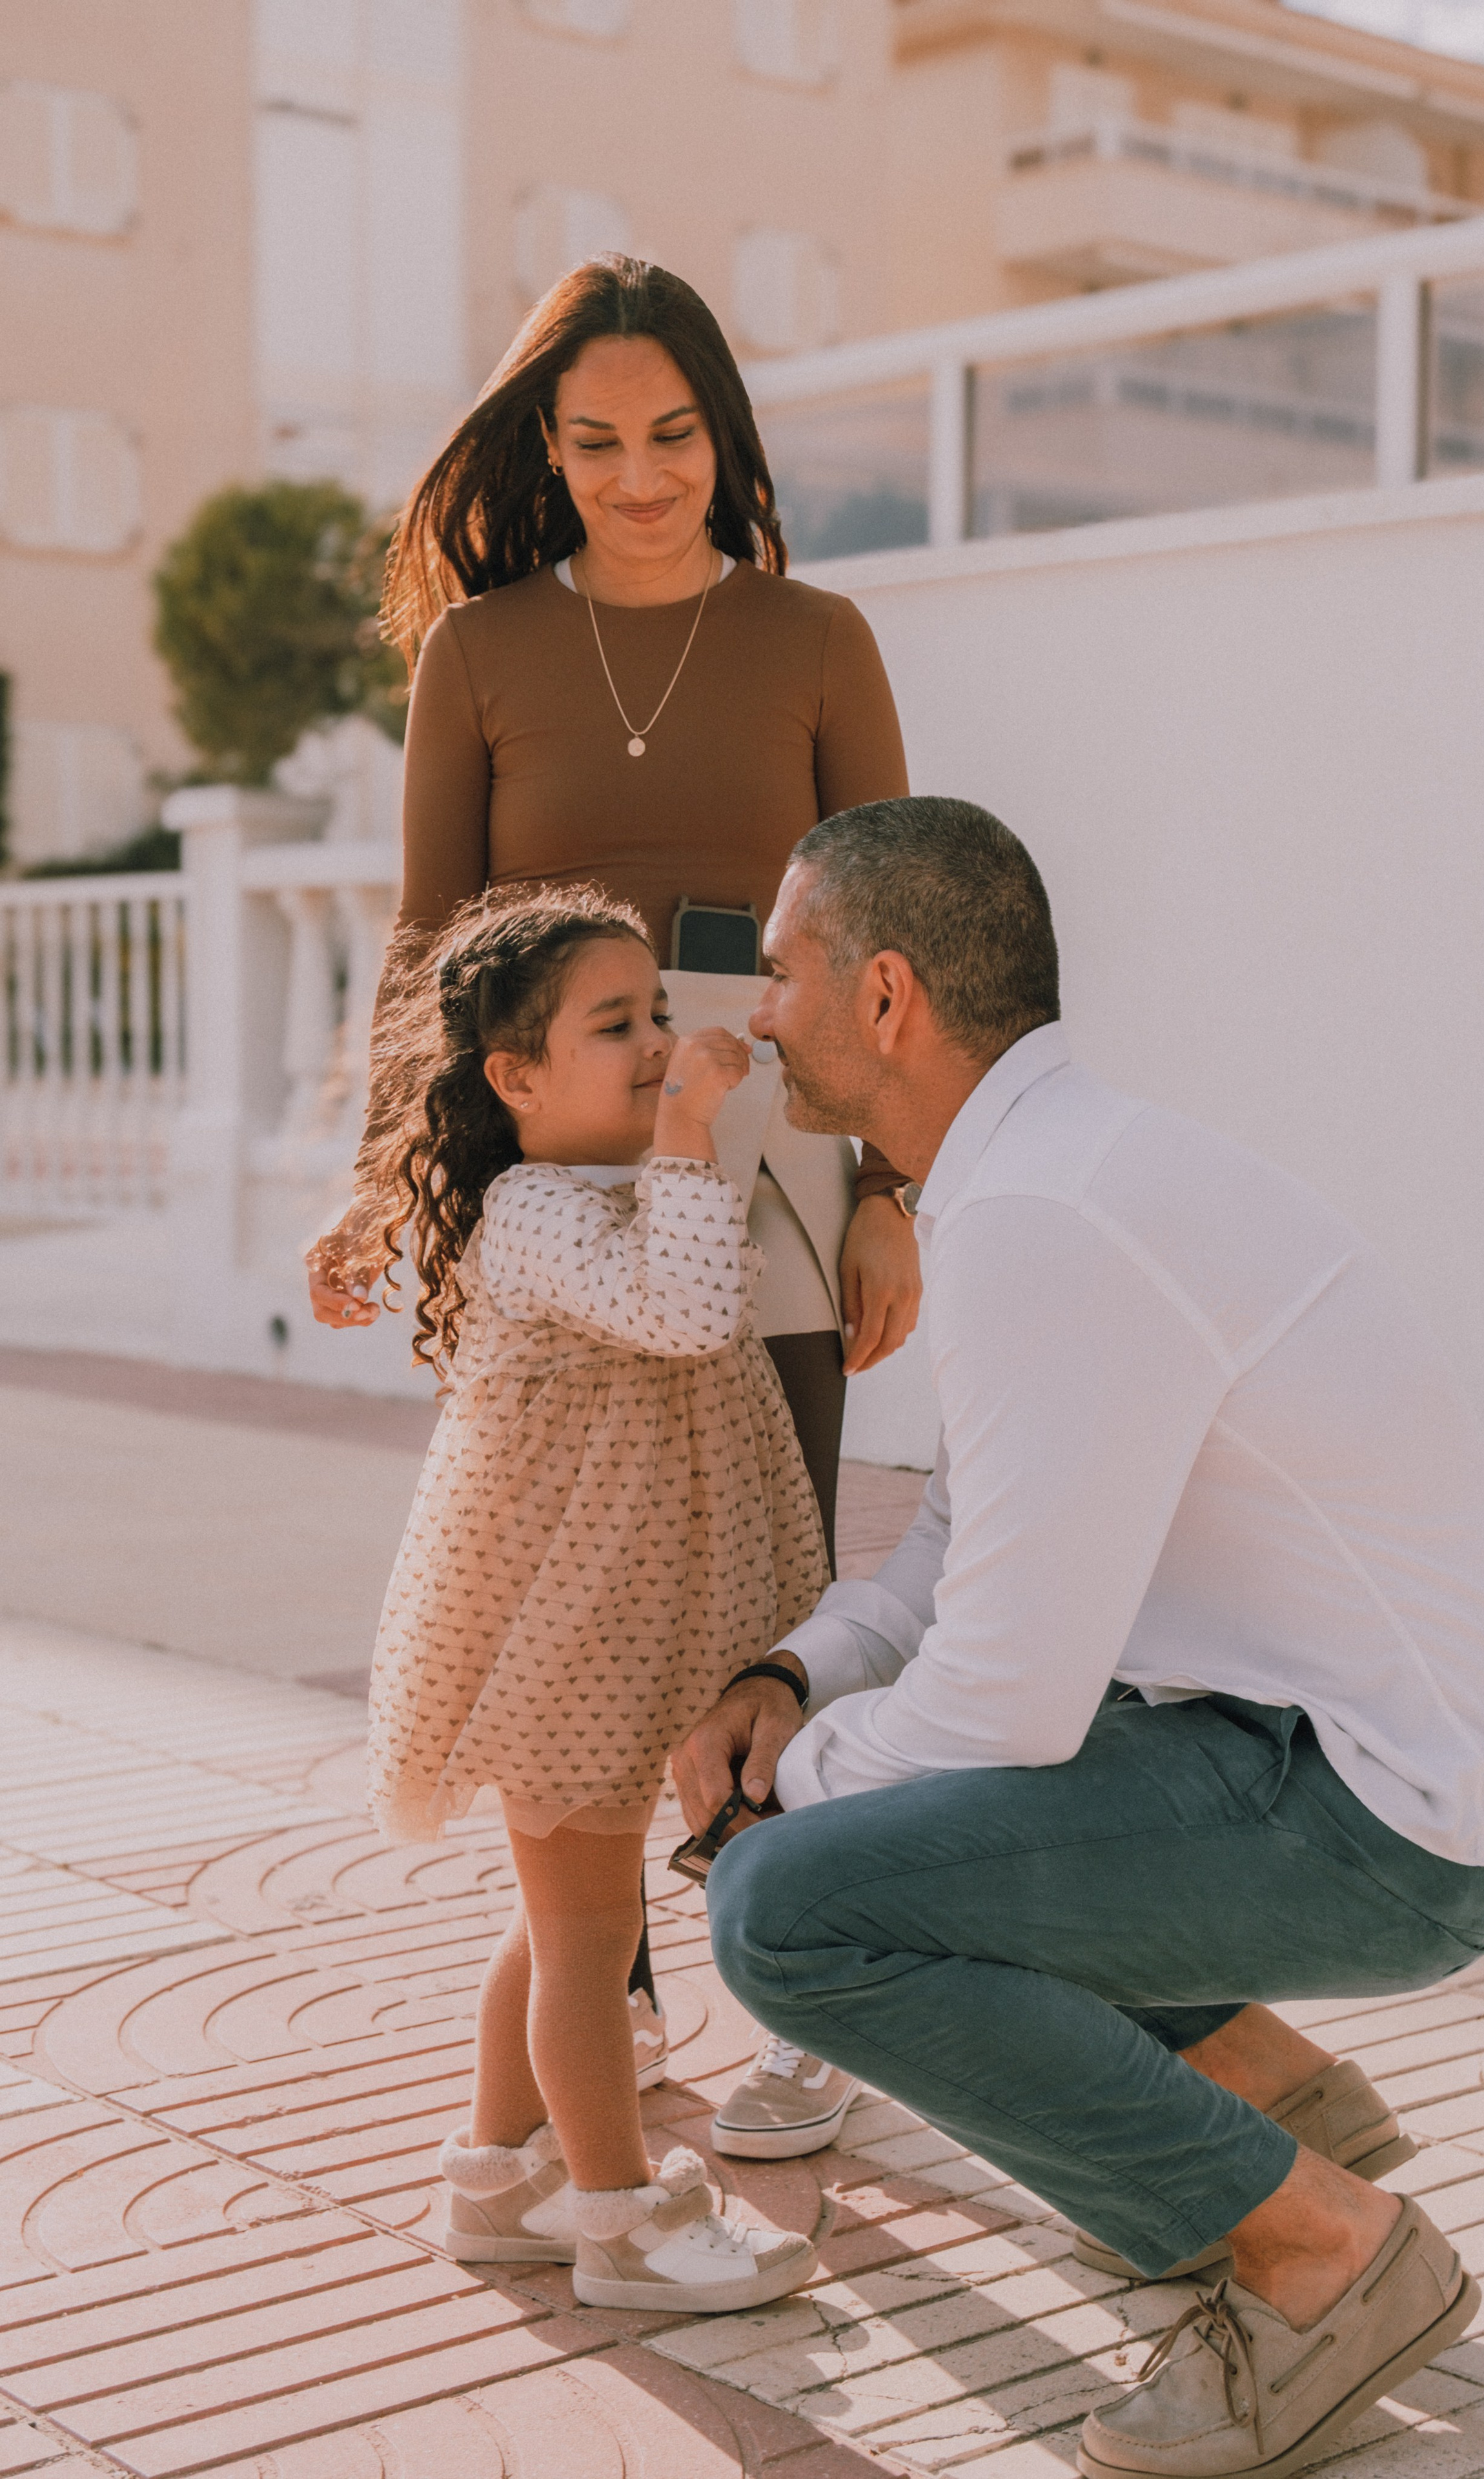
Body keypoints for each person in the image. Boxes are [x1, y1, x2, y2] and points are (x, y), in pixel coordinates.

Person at [675, 796, 1484, 2477]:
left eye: (779, 973)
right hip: (1313, 1756)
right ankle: (1269, 2103)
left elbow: (1004, 1697)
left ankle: (1318, 2253)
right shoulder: (1045, 1176)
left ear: (884, 997)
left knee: (790, 1912)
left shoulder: (1041, 1216)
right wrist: (792, 1680)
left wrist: (786, 1792)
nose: (755, 1012)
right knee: (879, 1830)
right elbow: (950, 1560)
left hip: (1382, 1820)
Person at [306, 252, 919, 2068]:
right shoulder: (480, 652)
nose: (641, 476)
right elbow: (428, 935)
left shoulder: (821, 641)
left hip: (771, 1174)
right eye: (596, 442)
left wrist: (888, 1199)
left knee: (764, 1602)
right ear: (546, 449)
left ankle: (796, 2003)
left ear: (722, 436)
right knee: (576, 1604)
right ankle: (608, 1999)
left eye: (674, 436)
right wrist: (373, 1182)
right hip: (549, 1193)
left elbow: (884, 945)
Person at [362, 884, 825, 2314]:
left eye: (657, 1015)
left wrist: (684, 1142)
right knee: (584, 1934)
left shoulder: (619, 1191)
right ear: (514, 1078)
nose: (651, 1044)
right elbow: (684, 1315)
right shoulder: (535, 1211)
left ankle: (498, 2175)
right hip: (562, 1637)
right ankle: (617, 2219)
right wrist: (690, 1132)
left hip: (622, 1624)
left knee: (565, 1915)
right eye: (613, 1025)